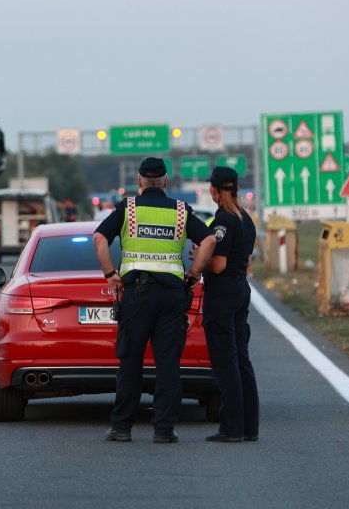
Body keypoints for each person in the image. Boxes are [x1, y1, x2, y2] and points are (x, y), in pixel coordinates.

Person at [94, 157, 216, 443]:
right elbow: (209, 239)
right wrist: (194, 273)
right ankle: (163, 429)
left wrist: (110, 273)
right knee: (168, 363)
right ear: (164, 182)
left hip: (136, 295)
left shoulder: (128, 209)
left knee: (131, 362)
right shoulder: (181, 211)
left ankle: (122, 427)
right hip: (172, 297)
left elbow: (100, 238)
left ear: (139, 181)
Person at [198, 166, 259, 443]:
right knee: (242, 360)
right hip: (241, 289)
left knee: (225, 361)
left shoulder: (222, 221)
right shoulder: (246, 219)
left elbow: (219, 264)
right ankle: (249, 426)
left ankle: (231, 427)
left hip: (222, 293)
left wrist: (199, 256)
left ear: (214, 190)